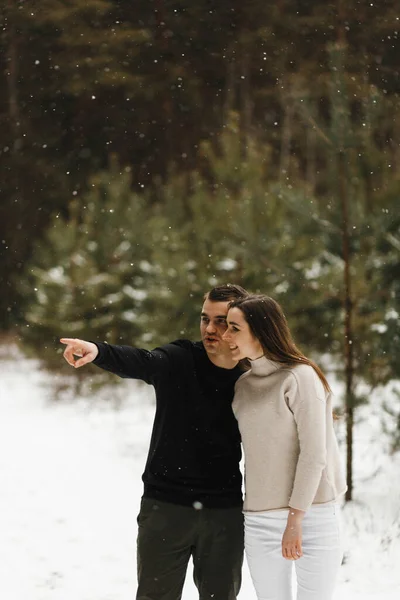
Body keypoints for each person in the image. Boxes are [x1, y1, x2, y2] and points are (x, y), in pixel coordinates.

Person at [60, 284, 249, 600]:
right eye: (205, 319)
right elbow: (142, 361)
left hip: (224, 512)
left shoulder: (252, 375)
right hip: (166, 507)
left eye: (221, 321)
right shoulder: (179, 360)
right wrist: (99, 351)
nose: (210, 329)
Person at [222, 294, 347, 600]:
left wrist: (295, 519)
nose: (226, 336)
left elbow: (314, 454)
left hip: (312, 514)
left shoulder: (300, 377)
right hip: (259, 517)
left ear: (260, 331)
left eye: (234, 328)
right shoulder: (242, 386)